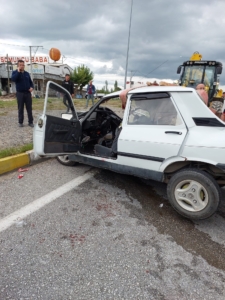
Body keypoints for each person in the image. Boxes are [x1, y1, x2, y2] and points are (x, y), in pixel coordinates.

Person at [11, 60, 34, 127]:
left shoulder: (27, 73)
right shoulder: (15, 72)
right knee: (20, 108)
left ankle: (30, 122)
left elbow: (31, 83)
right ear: (18, 65)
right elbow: (13, 79)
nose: (22, 66)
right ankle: (20, 122)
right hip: (20, 93)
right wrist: (18, 71)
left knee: (29, 108)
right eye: (20, 65)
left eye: (23, 65)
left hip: (27, 93)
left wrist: (32, 88)